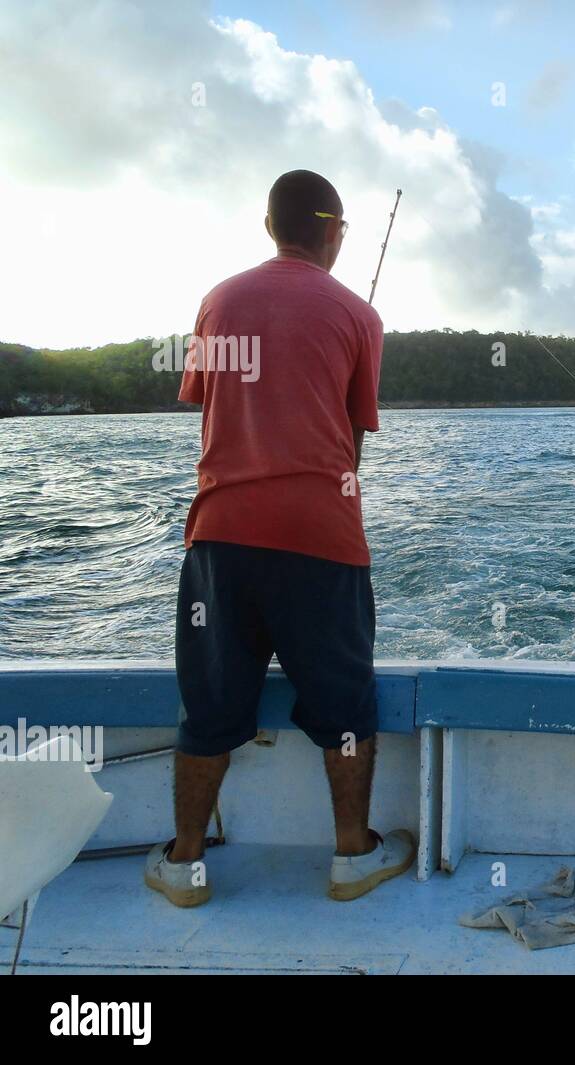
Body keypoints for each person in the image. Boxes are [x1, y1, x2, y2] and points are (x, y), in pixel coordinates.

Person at [145, 169, 412, 907]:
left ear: (270, 227)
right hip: (320, 539)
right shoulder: (360, 315)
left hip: (221, 536)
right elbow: (352, 442)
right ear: (334, 232)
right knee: (345, 706)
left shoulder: (217, 301)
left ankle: (186, 862)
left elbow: (210, 407)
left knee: (208, 703)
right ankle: (352, 854)